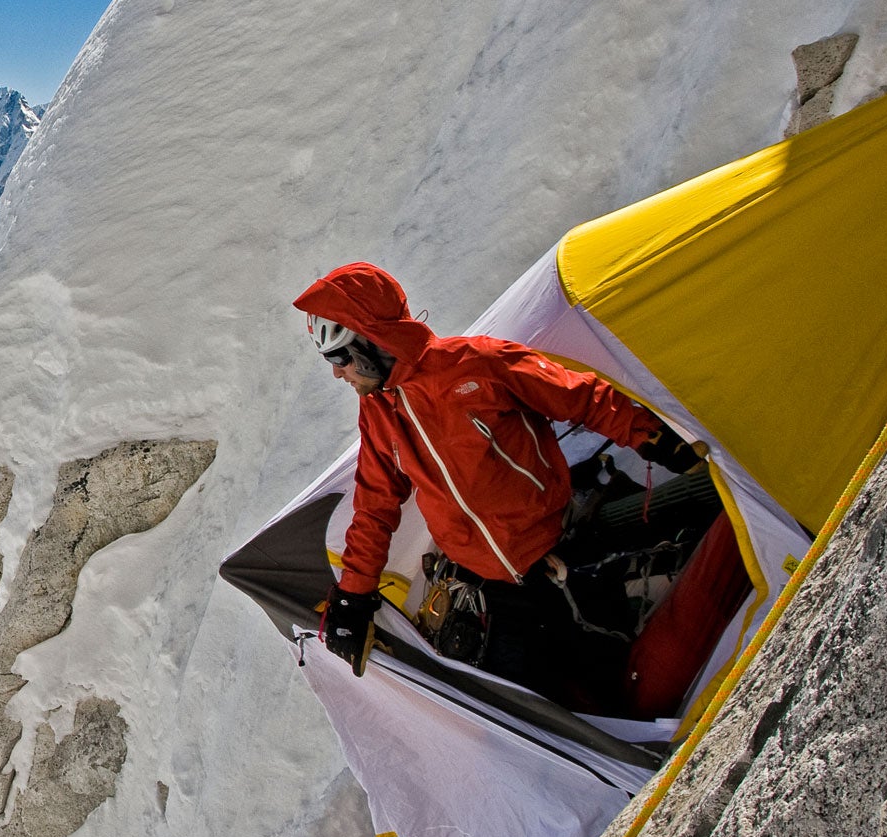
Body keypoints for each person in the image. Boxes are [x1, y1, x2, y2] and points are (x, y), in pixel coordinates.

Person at [294, 262, 698, 691]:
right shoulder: (377, 414)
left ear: (373, 342)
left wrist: (650, 436)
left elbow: (578, 396)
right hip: (493, 589)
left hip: (565, 551)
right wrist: (353, 599)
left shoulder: (474, 365)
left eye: (339, 358)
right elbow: (375, 504)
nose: (338, 373)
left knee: (624, 676)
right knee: (544, 703)